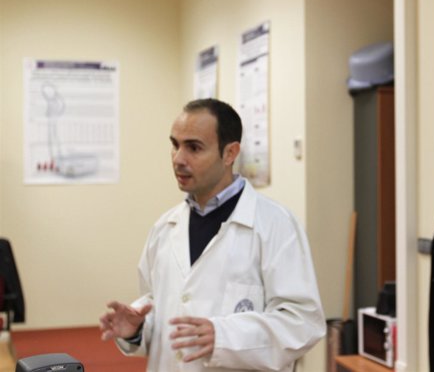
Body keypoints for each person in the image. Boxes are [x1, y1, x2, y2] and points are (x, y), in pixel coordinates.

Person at [99, 98, 325, 371]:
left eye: (194, 147)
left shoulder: (276, 225)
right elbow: (162, 311)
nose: (178, 159)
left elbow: (303, 322)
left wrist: (226, 336)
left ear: (230, 153)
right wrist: (137, 328)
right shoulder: (164, 228)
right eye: (175, 145)